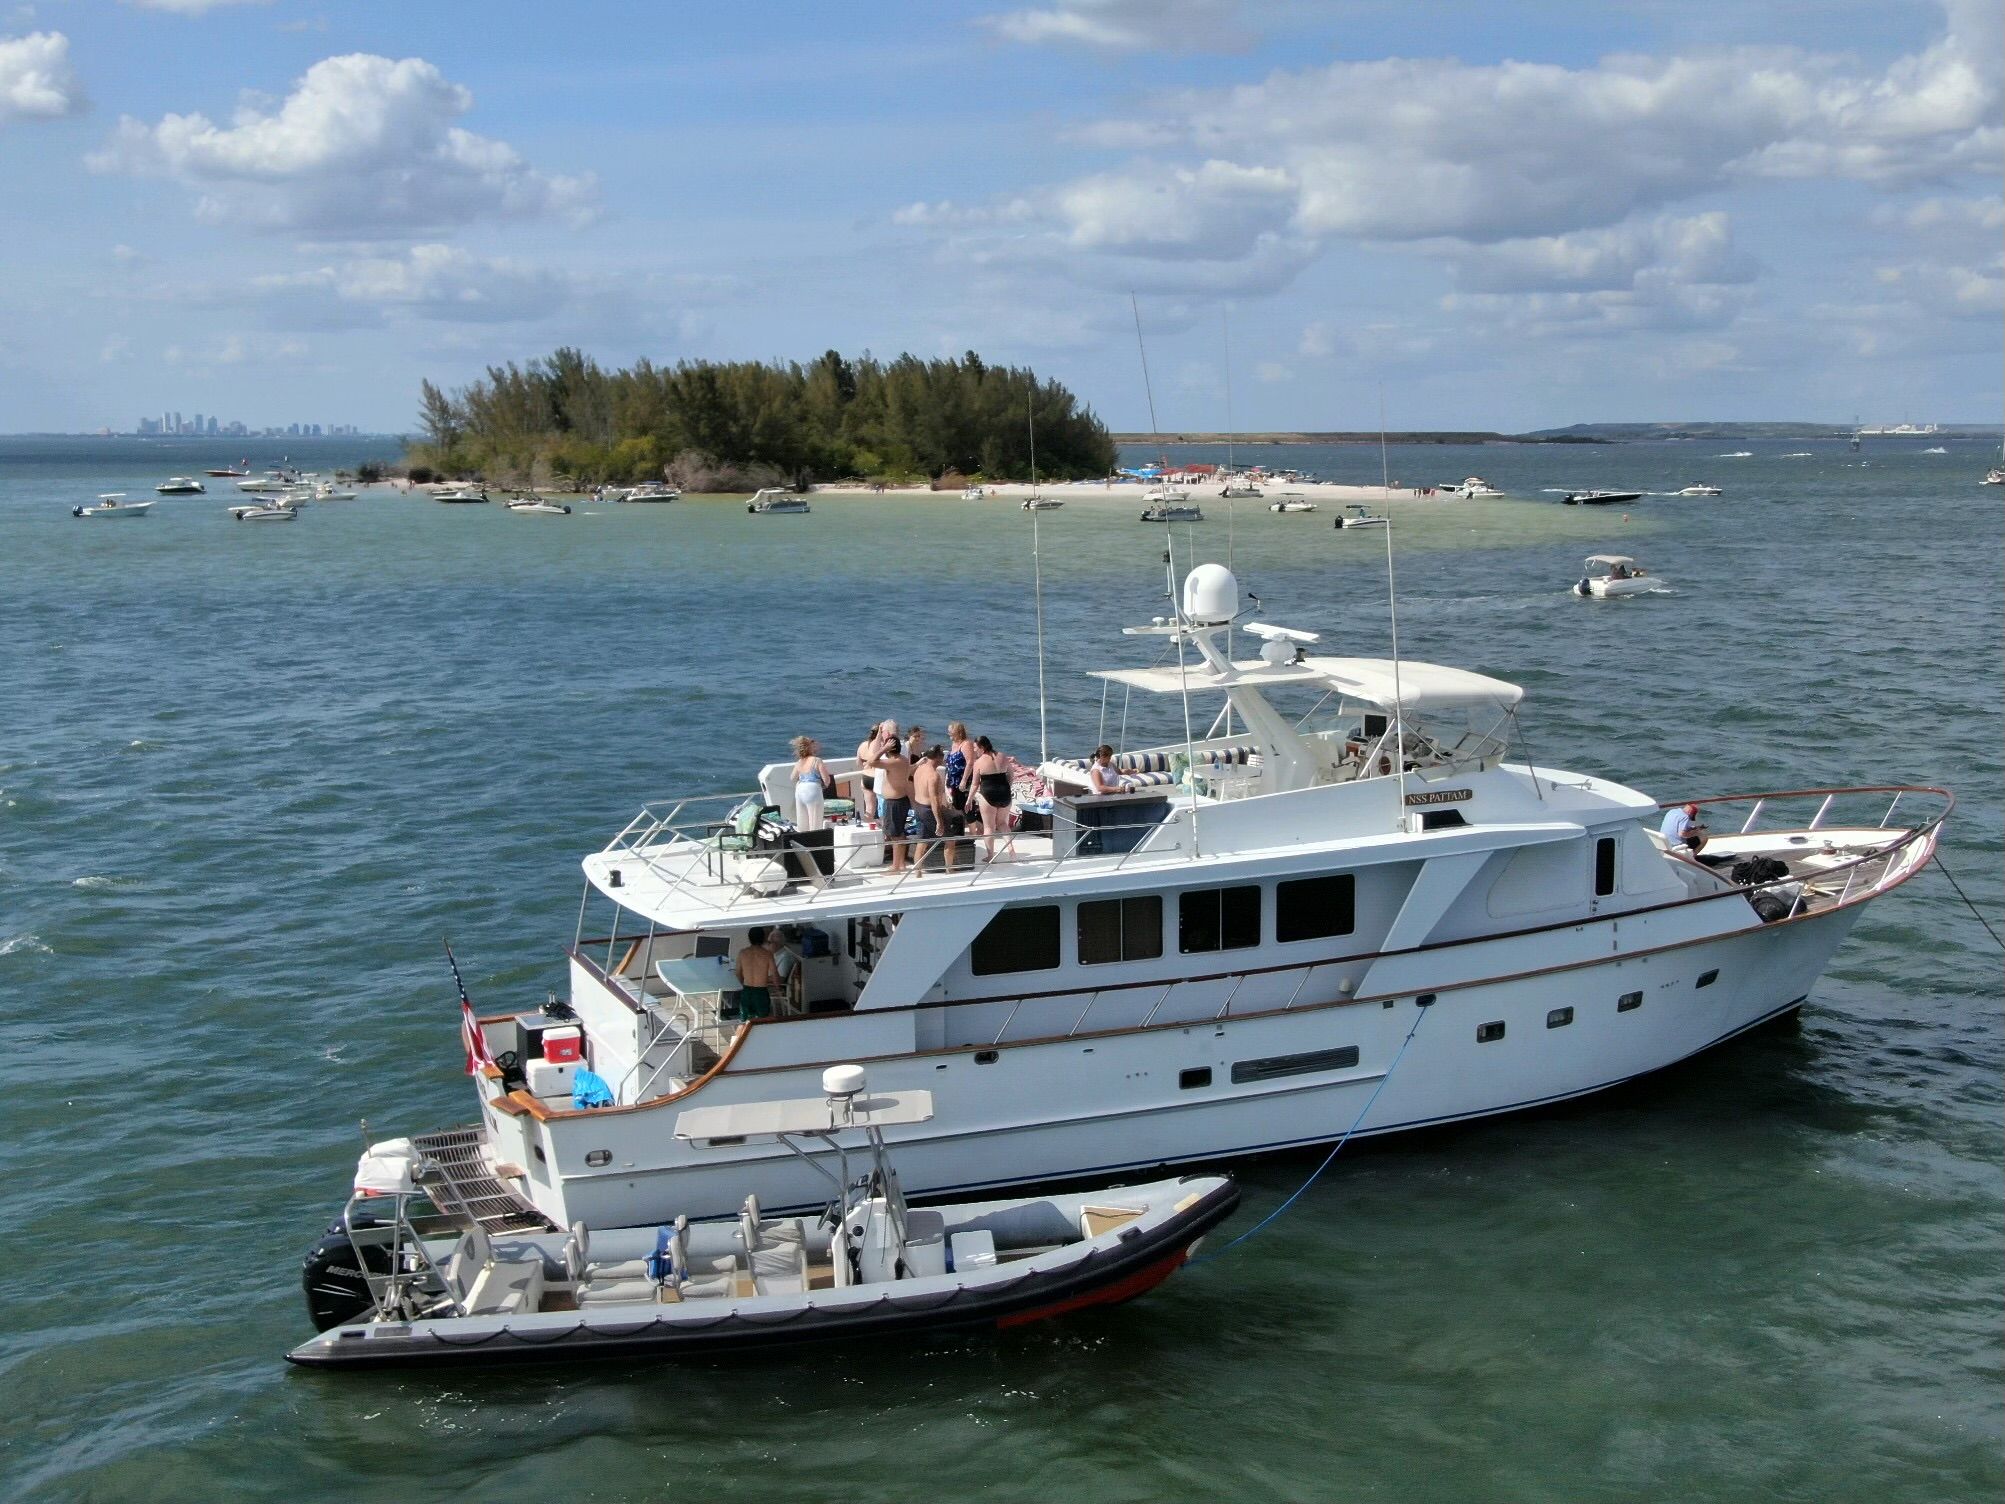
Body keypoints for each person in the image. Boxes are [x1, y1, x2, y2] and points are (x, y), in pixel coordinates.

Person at [869, 730, 914, 873]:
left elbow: (871, 762)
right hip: (901, 800)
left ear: (890, 749)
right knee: (899, 833)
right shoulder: (903, 760)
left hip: (894, 802)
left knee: (895, 835)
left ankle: (896, 866)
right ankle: (900, 864)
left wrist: (883, 749)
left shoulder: (893, 762)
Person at [912, 745, 955, 874]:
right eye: (942, 756)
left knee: (922, 841)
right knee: (950, 840)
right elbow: (934, 801)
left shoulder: (919, 769)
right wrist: (939, 821)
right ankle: (949, 870)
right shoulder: (933, 776)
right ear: (937, 758)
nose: (943, 759)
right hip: (928, 810)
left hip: (918, 807)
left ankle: (917, 872)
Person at [970, 734, 1012, 859]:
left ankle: (990, 856)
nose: (974, 750)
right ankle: (1011, 849)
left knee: (988, 827)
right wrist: (1007, 787)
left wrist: (968, 800)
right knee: (1003, 823)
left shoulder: (978, 762)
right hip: (1005, 793)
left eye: (975, 747)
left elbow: (975, 784)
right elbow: (1011, 775)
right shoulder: (1003, 756)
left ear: (982, 747)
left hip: (988, 794)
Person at [733, 926, 781, 1020]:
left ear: (749, 938)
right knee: (762, 1022)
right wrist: (777, 988)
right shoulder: (767, 954)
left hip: (746, 991)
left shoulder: (742, 953)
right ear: (763, 938)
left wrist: (743, 985)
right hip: (761, 992)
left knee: (745, 1022)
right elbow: (775, 976)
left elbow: (738, 974)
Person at [790, 735, 831, 832]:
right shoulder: (816, 760)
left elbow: (792, 778)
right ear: (810, 747)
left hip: (800, 790)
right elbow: (826, 780)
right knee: (815, 822)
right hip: (812, 790)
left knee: (802, 823)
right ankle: (814, 844)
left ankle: (804, 843)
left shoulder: (799, 762)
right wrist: (823, 786)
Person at [853, 725, 882, 821]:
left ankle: (868, 826)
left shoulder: (862, 745)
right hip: (877, 777)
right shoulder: (881, 746)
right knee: (882, 807)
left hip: (865, 777)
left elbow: (858, 763)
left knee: (869, 809)